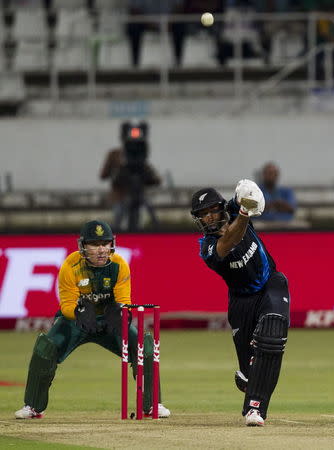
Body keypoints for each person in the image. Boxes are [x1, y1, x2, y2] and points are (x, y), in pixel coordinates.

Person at [15, 220, 170, 419]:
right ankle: (33, 407)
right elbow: (67, 305)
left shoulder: (119, 265)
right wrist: (79, 312)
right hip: (75, 322)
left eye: (105, 244)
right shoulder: (70, 266)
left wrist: (120, 312)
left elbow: (124, 301)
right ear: (83, 246)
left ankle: (152, 405)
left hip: (109, 322)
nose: (101, 250)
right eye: (95, 245)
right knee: (46, 348)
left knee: (144, 344)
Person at [190, 180, 290, 426]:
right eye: (203, 215)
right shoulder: (208, 248)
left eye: (213, 210)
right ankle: (248, 375)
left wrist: (248, 195)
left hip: (271, 284)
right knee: (251, 370)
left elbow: (250, 196)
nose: (210, 217)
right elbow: (231, 241)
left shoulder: (235, 209)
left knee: (271, 338)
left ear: (222, 208)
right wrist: (245, 212)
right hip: (241, 303)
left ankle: (255, 409)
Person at [100, 123, 161, 232]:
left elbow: (153, 178)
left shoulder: (141, 161)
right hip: (119, 196)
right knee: (119, 219)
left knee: (138, 221)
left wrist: (152, 177)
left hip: (138, 194)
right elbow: (104, 175)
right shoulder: (114, 155)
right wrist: (119, 169)